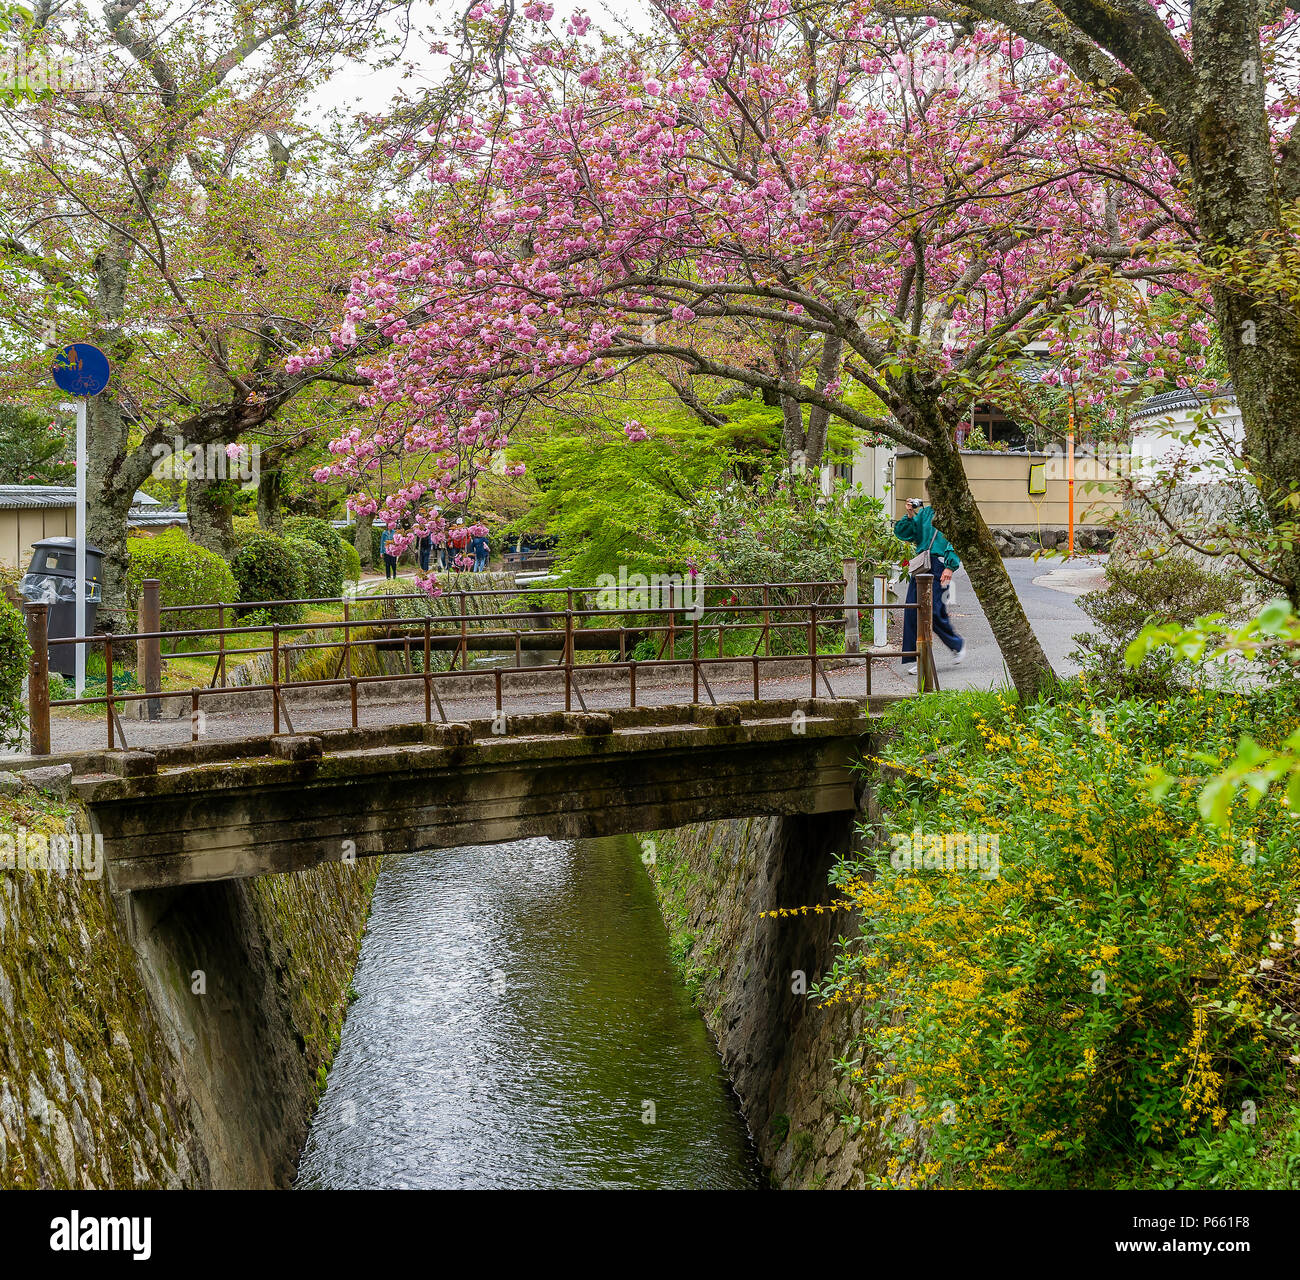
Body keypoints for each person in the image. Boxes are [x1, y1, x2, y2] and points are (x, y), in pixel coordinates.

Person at [893, 481, 966, 675]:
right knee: (912, 610)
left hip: (939, 564)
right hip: (921, 564)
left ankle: (956, 644)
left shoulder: (951, 513)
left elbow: (955, 540)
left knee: (934, 611)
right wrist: (910, 514)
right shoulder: (925, 514)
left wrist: (950, 566)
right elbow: (904, 533)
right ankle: (918, 656)